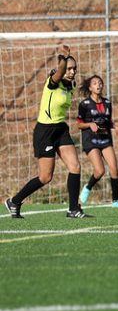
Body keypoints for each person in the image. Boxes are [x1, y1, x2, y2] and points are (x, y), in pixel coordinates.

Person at [5, 44, 91, 219]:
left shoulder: (71, 86)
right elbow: (59, 73)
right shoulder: (53, 81)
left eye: (74, 68)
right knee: (45, 177)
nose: (72, 71)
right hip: (45, 131)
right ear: (61, 68)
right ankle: (14, 201)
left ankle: (73, 209)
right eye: (69, 68)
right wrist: (64, 59)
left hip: (60, 129)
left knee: (75, 167)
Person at [77, 74, 118, 208]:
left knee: (114, 169)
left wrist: (115, 126)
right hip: (90, 140)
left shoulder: (107, 103)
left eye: (100, 83)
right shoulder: (84, 104)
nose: (98, 85)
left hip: (105, 139)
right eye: (95, 83)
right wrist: (89, 125)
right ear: (90, 87)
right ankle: (87, 187)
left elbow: (107, 121)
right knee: (99, 171)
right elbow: (79, 124)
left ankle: (115, 201)